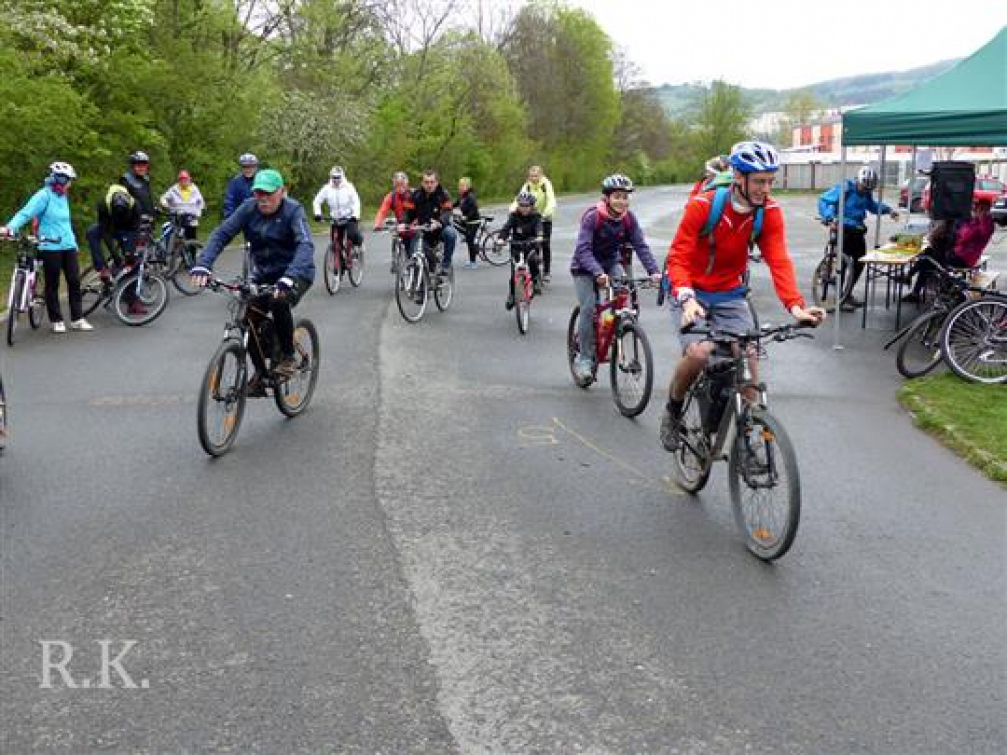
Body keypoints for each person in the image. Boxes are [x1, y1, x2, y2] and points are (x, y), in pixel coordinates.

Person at [660, 140, 825, 450]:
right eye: (760, 181)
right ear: (739, 177)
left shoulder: (768, 212)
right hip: (690, 291)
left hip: (730, 294)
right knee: (699, 353)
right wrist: (686, 298)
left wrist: (796, 307)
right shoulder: (704, 205)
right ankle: (673, 410)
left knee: (747, 355)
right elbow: (678, 257)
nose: (766, 188)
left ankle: (749, 435)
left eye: (771, 181)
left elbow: (779, 260)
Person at [191, 169, 315, 393]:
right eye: (258, 193)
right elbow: (221, 234)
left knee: (279, 301)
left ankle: (288, 356)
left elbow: (305, 245)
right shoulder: (248, 208)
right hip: (264, 274)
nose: (263, 198)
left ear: (282, 192)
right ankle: (260, 374)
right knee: (247, 316)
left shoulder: (293, 210)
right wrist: (203, 264)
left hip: (296, 272)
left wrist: (289, 277)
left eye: (268, 193)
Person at [570, 173, 662, 382]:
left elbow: (641, 246)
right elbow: (583, 250)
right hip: (584, 268)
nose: (622, 201)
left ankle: (611, 330)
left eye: (625, 197)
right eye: (617, 196)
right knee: (588, 307)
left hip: (610, 263)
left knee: (623, 294)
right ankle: (584, 358)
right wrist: (597, 273)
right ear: (607, 198)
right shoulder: (593, 217)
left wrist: (654, 272)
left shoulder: (628, 219)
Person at [0, 162, 93, 332]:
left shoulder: (63, 196)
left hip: (67, 245)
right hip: (49, 246)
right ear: (60, 179)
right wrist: (9, 228)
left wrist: (73, 242)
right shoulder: (43, 195)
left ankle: (77, 318)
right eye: (69, 180)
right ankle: (56, 320)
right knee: (53, 283)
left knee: (74, 281)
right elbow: (25, 213)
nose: (70, 184)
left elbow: (65, 223)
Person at [817, 166, 898, 310]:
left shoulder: (866, 193)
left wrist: (888, 210)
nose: (864, 191)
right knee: (842, 263)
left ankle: (847, 293)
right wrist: (830, 218)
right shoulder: (845, 188)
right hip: (842, 228)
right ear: (858, 181)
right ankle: (839, 297)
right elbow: (824, 201)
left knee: (860, 262)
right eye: (863, 187)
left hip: (857, 230)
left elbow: (872, 206)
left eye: (868, 189)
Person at [904, 199, 996, 301]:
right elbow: (962, 234)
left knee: (928, 260)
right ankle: (912, 285)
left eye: (979, 208)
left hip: (964, 258)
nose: (975, 210)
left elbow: (965, 236)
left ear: (986, 210)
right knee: (928, 255)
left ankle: (911, 281)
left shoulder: (986, 223)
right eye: (976, 208)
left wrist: (980, 219)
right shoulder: (975, 221)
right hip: (958, 254)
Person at [85, 181, 141, 293]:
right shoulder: (103, 204)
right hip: (109, 224)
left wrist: (129, 252)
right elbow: (105, 232)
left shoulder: (135, 206)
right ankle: (102, 268)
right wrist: (115, 256)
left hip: (128, 228)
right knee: (92, 232)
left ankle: (132, 299)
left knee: (131, 259)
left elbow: (134, 231)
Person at [404, 170, 456, 277]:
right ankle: (421, 290)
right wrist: (403, 223)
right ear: (422, 183)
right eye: (426, 182)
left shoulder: (443, 194)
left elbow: (447, 211)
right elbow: (407, 212)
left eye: (432, 182)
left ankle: (445, 265)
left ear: (436, 182)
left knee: (451, 233)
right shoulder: (415, 195)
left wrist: (439, 222)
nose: (429, 185)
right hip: (422, 232)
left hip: (440, 230)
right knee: (417, 256)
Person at [496, 190, 543, 309]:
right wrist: (501, 238)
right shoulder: (514, 216)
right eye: (521, 205)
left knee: (532, 260)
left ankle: (536, 280)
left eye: (526, 206)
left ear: (531, 206)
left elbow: (539, 228)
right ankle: (512, 295)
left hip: (531, 243)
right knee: (514, 273)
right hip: (516, 244)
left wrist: (539, 236)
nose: (524, 208)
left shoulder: (536, 216)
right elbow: (506, 228)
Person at [512, 165, 556, 281]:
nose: (533, 178)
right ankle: (534, 268)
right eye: (531, 176)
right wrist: (512, 209)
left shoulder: (545, 184)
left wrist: (546, 213)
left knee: (545, 244)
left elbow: (551, 200)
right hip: (531, 216)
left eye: (536, 176)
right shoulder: (527, 185)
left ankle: (546, 271)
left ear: (541, 175)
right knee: (531, 243)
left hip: (545, 217)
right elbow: (519, 199)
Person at [312, 165, 363, 253]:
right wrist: (318, 214)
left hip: (349, 217)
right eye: (333, 177)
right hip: (335, 218)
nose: (335, 180)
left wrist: (355, 215)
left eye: (338, 177)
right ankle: (339, 263)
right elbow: (317, 201)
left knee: (352, 235)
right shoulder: (327, 188)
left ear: (342, 177)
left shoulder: (349, 187)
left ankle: (359, 244)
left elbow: (356, 202)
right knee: (335, 244)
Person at [372, 171, 416, 273]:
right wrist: (377, 224)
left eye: (402, 184)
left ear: (407, 184)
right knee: (395, 236)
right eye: (397, 185)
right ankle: (395, 259)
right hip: (401, 226)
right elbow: (382, 211)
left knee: (413, 253)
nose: (400, 187)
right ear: (394, 185)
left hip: (413, 227)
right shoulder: (391, 197)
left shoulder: (414, 194)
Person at [160, 170, 205, 239]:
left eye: (186, 179)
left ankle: (192, 248)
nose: (184, 181)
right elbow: (163, 198)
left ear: (189, 179)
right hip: (177, 219)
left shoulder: (195, 189)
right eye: (181, 179)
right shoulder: (173, 189)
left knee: (191, 240)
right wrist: (165, 204)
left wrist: (198, 213)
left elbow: (201, 203)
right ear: (179, 180)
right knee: (176, 239)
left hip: (191, 220)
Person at [223, 153, 259, 219]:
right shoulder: (235, 181)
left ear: (255, 167)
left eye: (250, 166)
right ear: (241, 168)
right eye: (245, 167)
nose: (248, 170)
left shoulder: (261, 179)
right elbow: (229, 201)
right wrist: (230, 218)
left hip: (259, 216)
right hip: (241, 217)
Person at [455, 177, 481, 268]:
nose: (461, 187)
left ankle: (473, 262)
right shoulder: (462, 196)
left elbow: (474, 209)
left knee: (470, 241)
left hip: (474, 221)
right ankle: (465, 238)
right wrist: (447, 207)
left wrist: (466, 217)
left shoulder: (470, 196)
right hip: (468, 222)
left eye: (463, 185)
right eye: (460, 185)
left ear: (467, 186)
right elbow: (455, 204)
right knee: (467, 237)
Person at [122, 150, 155, 218]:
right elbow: (122, 204)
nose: (142, 168)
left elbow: (147, 199)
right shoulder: (126, 179)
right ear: (132, 165)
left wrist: (153, 210)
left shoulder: (146, 179)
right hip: (133, 222)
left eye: (144, 165)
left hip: (147, 221)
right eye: (138, 165)